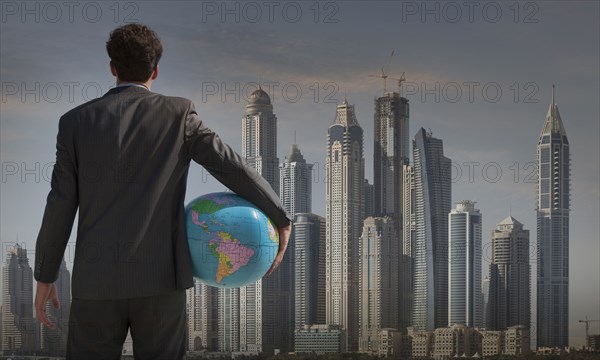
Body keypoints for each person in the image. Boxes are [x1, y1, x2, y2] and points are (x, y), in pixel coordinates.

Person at [33, 23, 292, 360]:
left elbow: (60, 203)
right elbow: (231, 166)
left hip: (95, 286)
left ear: (112, 68)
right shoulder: (179, 114)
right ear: (156, 69)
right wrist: (280, 216)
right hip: (161, 285)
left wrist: (44, 276)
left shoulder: (74, 123)